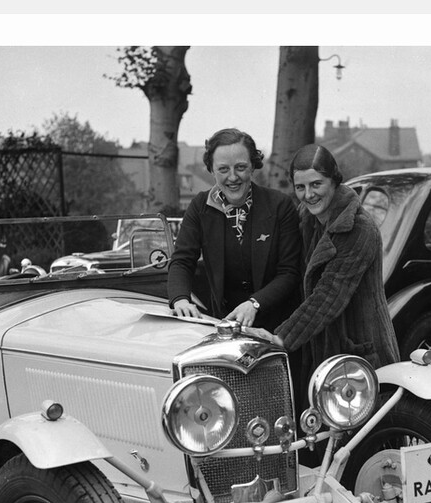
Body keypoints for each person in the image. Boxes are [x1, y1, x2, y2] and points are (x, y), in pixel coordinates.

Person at [267, 144, 400, 385]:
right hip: (321, 349)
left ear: (334, 181)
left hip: (360, 349)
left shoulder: (359, 228)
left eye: (316, 184)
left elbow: (329, 294)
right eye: (300, 187)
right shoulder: (307, 218)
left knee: (368, 421)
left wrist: (282, 338)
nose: (308, 194)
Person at [167, 128, 302, 332]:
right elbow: (182, 261)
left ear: (252, 167)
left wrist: (255, 303)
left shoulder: (280, 205)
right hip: (224, 327)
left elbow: (290, 272)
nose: (232, 177)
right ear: (211, 170)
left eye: (240, 167)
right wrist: (180, 300)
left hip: (278, 329)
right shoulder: (199, 207)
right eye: (223, 169)